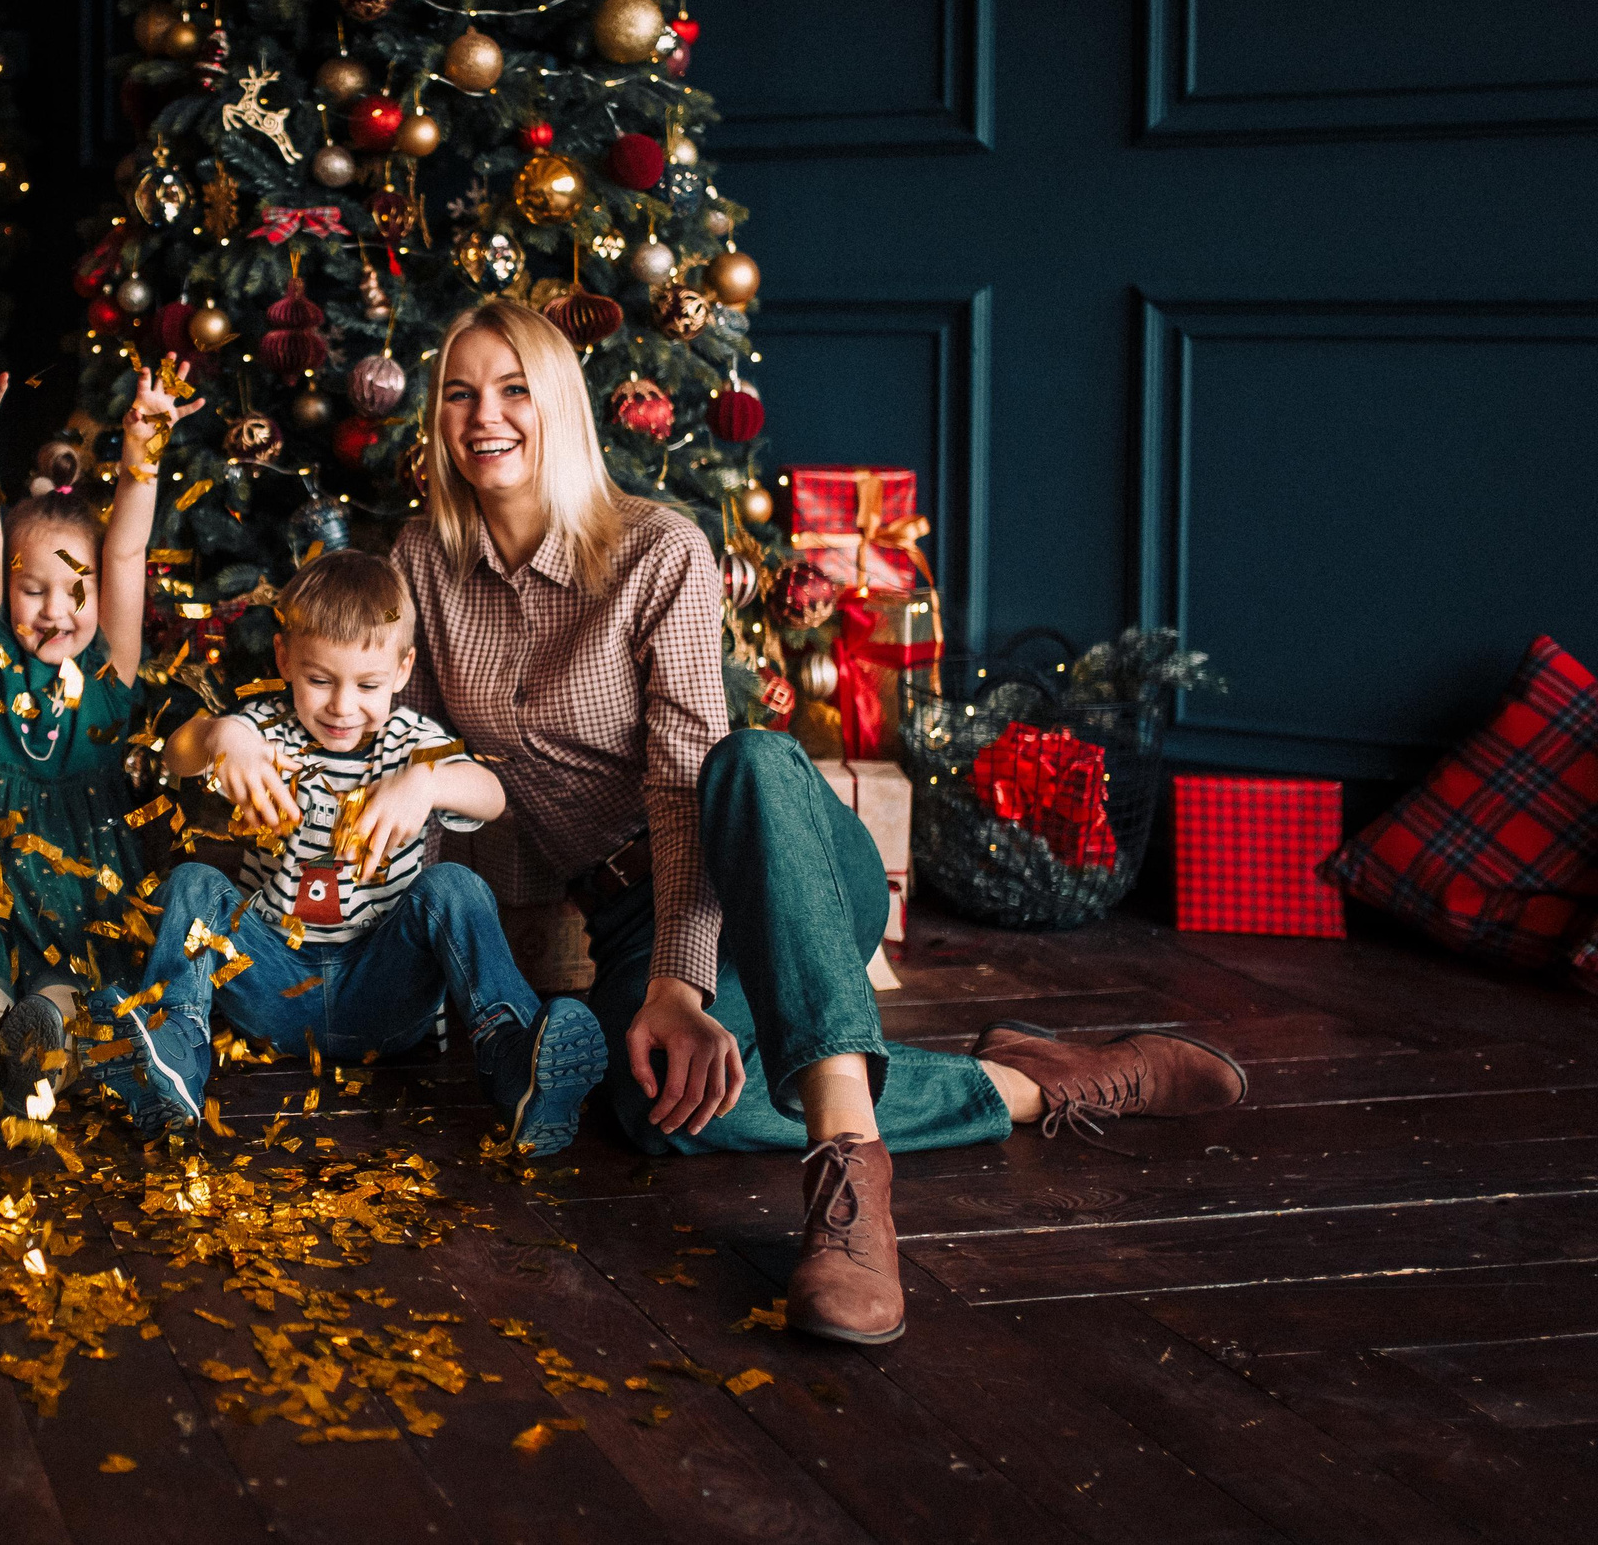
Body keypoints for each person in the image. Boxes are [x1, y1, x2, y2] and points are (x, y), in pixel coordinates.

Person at [390, 298, 1248, 1345]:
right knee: (653, 1111)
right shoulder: (420, 563)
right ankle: (1035, 1083)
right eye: (460, 393)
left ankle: (848, 1188)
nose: (485, 415)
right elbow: (414, 766)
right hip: (623, 911)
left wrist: (677, 986)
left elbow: (681, 787)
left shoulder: (658, 548)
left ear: (561, 403)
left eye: (514, 388)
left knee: (743, 760)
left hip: (765, 858)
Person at [92, 549, 608, 1155]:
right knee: (195, 882)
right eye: (319, 680)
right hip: (270, 986)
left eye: (367, 685)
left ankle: (514, 1059)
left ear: (402, 669)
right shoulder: (262, 733)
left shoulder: (413, 745)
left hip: (383, 995)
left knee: (453, 886)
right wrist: (221, 735)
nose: (341, 706)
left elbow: (492, 796)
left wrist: (428, 782)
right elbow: (179, 753)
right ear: (284, 658)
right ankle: (174, 1055)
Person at [0, 357, 200, 1140]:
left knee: (67, 987)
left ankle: (24, 1046)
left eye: (76, 590)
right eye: (33, 589)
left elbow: (127, 550)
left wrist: (145, 446)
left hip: (84, 874)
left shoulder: (109, 669)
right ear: (7, 593)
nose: (56, 610)